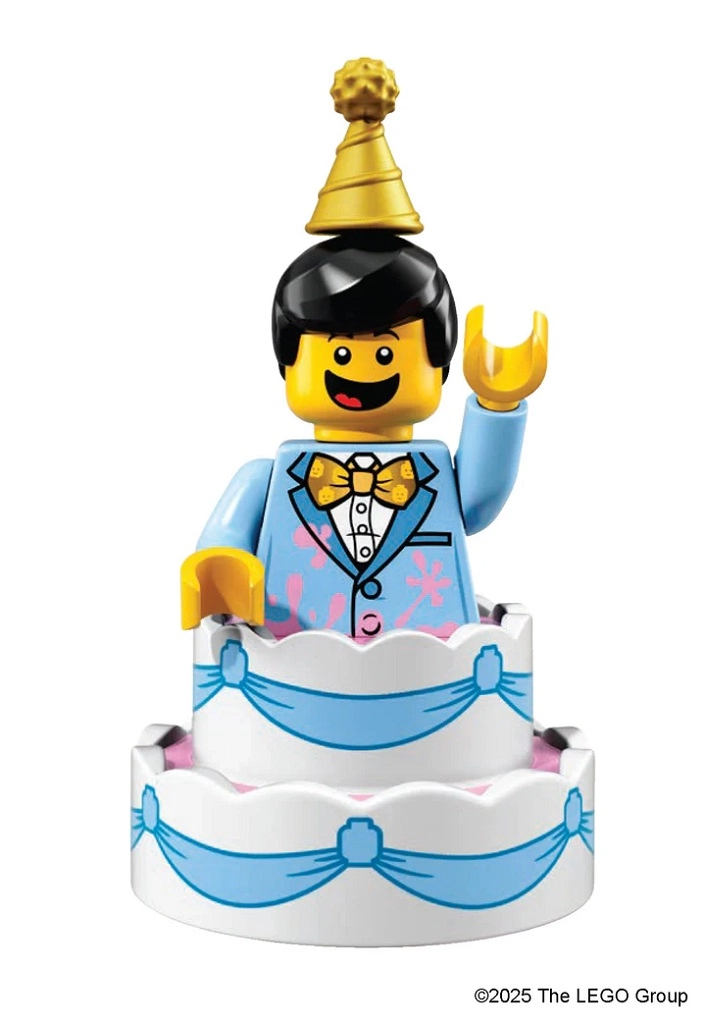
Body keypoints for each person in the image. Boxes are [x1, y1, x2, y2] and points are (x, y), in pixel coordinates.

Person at [180, 59, 546, 641]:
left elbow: (477, 501)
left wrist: (497, 405)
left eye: (387, 353)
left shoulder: (434, 475)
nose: (361, 370)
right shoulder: (269, 478)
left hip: (427, 665)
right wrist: (222, 566)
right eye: (339, 354)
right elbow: (222, 541)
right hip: (288, 664)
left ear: (439, 364)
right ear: (288, 363)